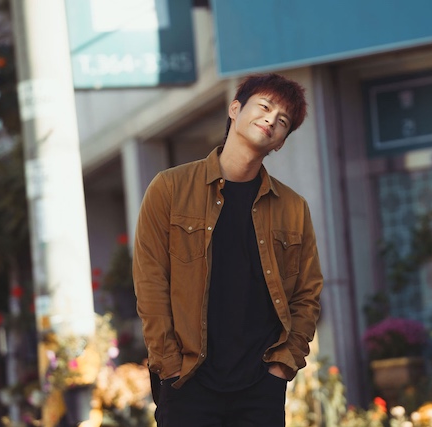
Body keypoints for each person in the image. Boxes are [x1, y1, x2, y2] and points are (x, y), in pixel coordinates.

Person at [133, 73, 324, 426]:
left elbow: (307, 294)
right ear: (235, 109)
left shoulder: (293, 208)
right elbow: (151, 283)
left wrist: (282, 366)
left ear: (280, 143)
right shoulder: (169, 189)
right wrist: (169, 365)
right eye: (264, 107)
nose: (271, 120)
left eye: (283, 120)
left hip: (260, 388)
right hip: (187, 381)